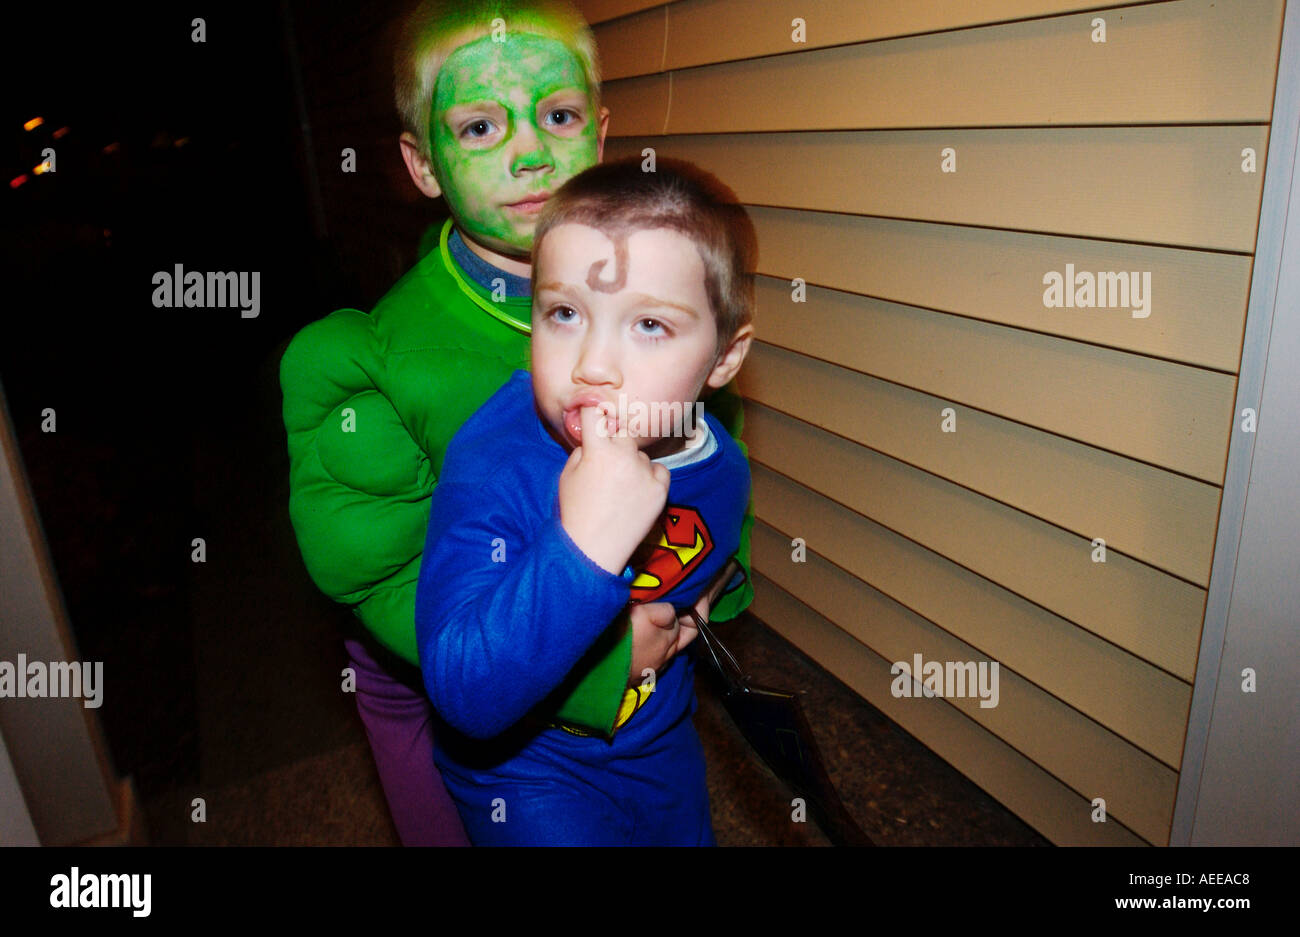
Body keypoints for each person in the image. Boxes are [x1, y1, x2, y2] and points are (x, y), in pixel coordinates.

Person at [279, 0, 752, 846]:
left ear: (599, 133)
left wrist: (712, 583)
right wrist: (603, 664)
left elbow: (706, 442)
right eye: (480, 126)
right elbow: (381, 577)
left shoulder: (666, 278)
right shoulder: (374, 361)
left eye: (558, 116)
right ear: (422, 166)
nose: (530, 151)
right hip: (432, 672)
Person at [415, 157, 756, 846]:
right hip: (526, 767)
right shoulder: (494, 465)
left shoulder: (718, 459)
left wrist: (708, 593)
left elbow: (714, 539)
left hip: (657, 734)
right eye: (565, 313)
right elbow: (463, 692)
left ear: (724, 357)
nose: (592, 365)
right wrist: (582, 548)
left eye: (650, 326)